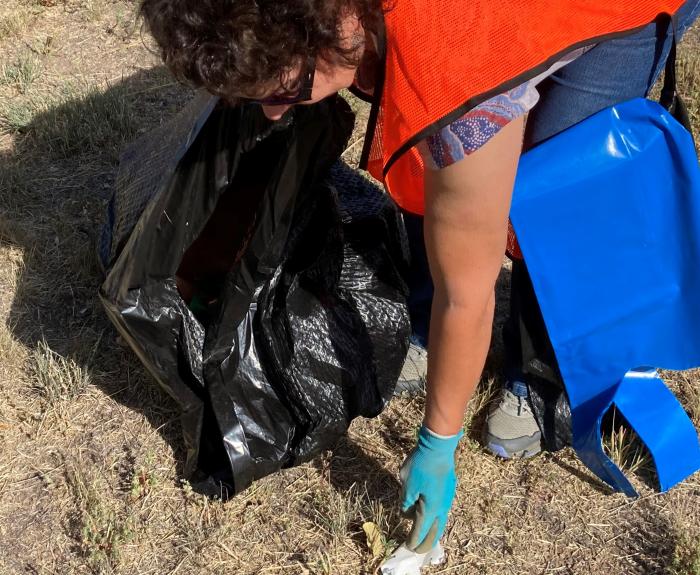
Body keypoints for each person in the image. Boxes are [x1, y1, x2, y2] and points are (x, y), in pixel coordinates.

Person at [139, 0, 700, 554]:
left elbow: (470, 292)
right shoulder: (354, 33)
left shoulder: (456, 77)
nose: (274, 114)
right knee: (425, 139)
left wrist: (437, 443)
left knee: (561, 184)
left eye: (285, 93)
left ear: (337, 26)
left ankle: (544, 372)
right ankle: (427, 330)